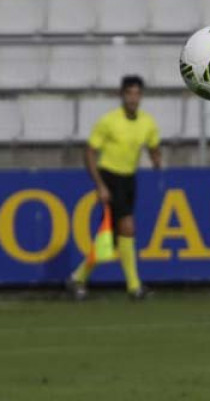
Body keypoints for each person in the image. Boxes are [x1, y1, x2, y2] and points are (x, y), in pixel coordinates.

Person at [68, 75, 161, 300]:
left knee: (110, 239)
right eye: (129, 93)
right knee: (127, 227)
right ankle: (134, 287)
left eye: (137, 94)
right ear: (122, 95)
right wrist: (100, 185)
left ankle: (77, 278)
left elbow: (153, 145)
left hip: (129, 179)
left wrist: (156, 159)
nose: (133, 98)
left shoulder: (147, 122)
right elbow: (89, 152)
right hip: (110, 177)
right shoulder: (109, 121)